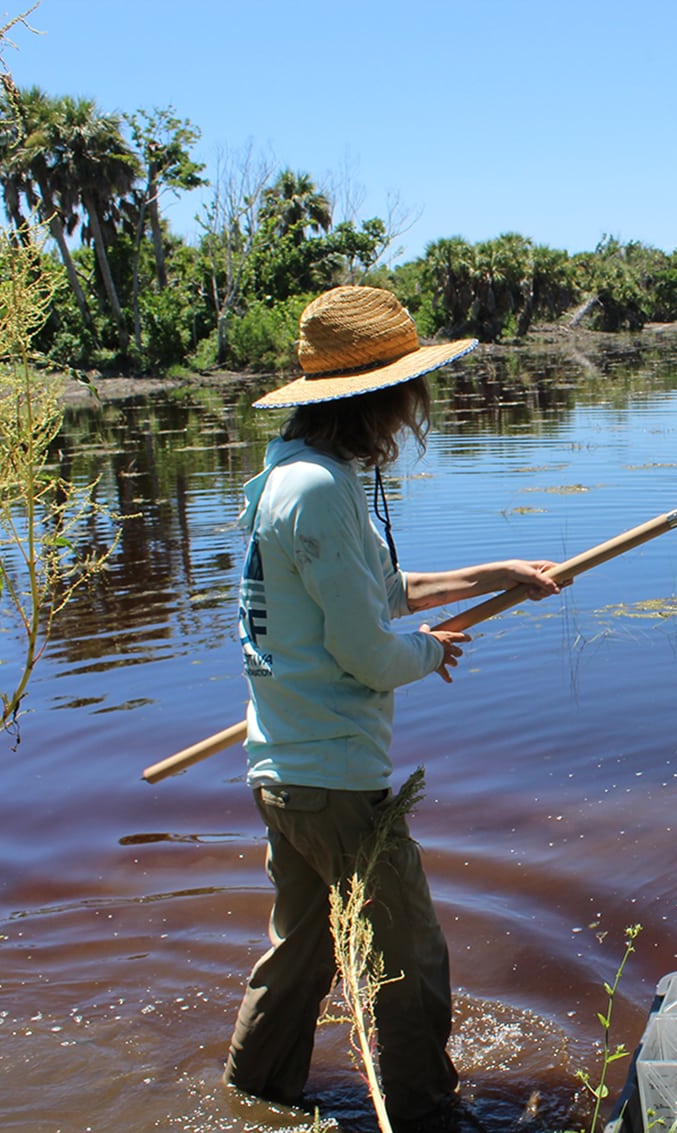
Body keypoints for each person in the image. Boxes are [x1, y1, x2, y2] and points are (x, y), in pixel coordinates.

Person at [222, 286, 562, 1128]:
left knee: (300, 956)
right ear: (376, 396)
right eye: (410, 389)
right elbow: (366, 650)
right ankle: (425, 1117)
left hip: (286, 769)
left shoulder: (293, 474)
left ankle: (252, 1096)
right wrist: (432, 651)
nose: (416, 408)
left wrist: (494, 574)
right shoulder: (322, 493)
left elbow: (379, 593)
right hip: (336, 777)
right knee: (411, 958)